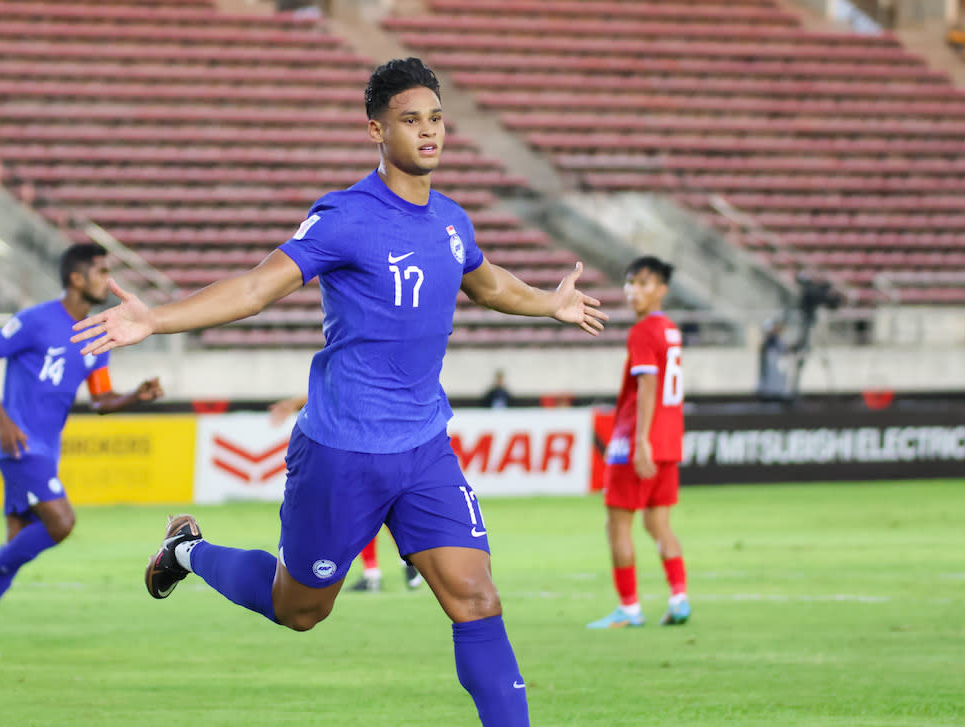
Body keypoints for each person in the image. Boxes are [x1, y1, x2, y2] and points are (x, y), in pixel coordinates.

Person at [72, 58, 607, 726]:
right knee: (301, 609)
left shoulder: (452, 220)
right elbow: (254, 287)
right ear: (376, 131)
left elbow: (486, 280)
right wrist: (155, 317)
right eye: (411, 120)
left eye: (436, 118)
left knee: (476, 597)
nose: (428, 132)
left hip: (423, 449)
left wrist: (547, 304)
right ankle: (187, 550)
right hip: (341, 450)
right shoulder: (346, 217)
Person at [0, 242, 163, 659]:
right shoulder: (36, 320)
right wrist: (1, 419)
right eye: (100, 272)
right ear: (76, 279)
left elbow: (100, 401)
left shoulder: (97, 332)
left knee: (17, 546)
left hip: (43, 451)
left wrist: (136, 395)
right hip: (19, 443)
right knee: (61, 522)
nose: (107, 280)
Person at [588, 256, 688, 629]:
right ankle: (679, 597)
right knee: (658, 523)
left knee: (618, 525)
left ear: (662, 289)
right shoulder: (670, 330)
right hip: (670, 442)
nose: (634, 290)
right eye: (630, 282)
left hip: (637, 441)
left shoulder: (643, 331)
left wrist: (641, 441)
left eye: (644, 283)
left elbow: (647, 387)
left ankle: (629, 608)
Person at [269, 394, 424, 593]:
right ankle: (400, 565)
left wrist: (292, 404)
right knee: (380, 512)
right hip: (383, 454)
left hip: (360, 456)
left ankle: (377, 573)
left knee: (361, 515)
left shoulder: (355, 387)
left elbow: (326, 389)